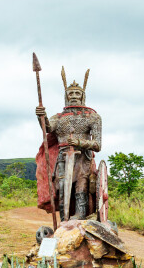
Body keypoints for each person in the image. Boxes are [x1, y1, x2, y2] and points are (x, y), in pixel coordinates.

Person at [35, 67, 102, 221]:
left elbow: (97, 144)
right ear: (66, 96)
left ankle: (79, 215)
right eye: (70, 93)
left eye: (77, 93)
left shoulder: (93, 117)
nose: (73, 96)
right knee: (62, 187)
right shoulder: (58, 117)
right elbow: (47, 128)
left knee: (81, 186)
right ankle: (64, 219)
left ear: (83, 96)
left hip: (82, 157)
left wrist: (79, 142)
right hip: (63, 157)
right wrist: (41, 116)